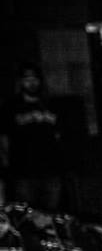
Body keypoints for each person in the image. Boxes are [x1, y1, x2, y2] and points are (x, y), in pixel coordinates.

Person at [1, 62, 63, 212]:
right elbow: (4, 137)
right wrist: (6, 162)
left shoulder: (51, 104)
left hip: (50, 170)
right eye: (27, 79)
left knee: (50, 213)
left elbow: (60, 134)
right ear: (21, 82)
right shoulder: (11, 107)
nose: (31, 83)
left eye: (34, 79)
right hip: (24, 171)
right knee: (28, 214)